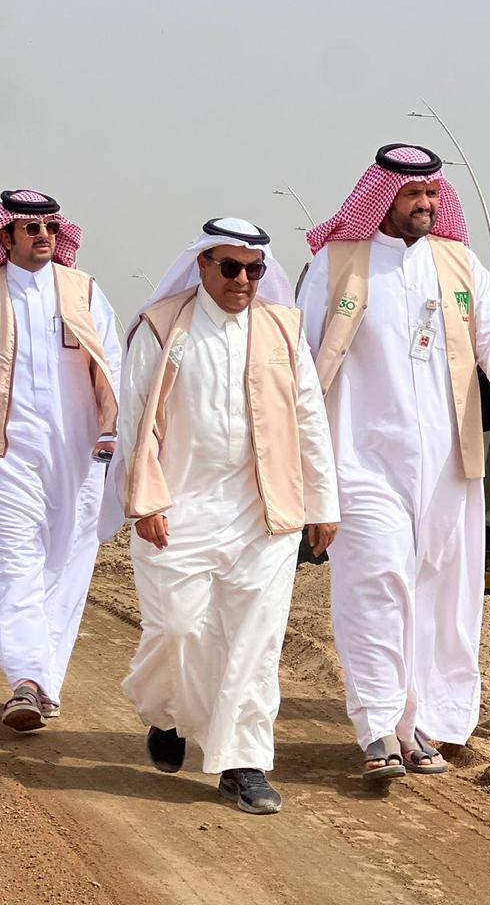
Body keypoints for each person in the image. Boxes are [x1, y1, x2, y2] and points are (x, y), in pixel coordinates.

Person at [299, 144, 490, 779]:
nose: (425, 204)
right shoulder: (337, 263)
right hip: (360, 458)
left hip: (446, 461)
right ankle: (377, 726)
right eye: (413, 194)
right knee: (376, 583)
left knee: (441, 591)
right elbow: (300, 360)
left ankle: (421, 723)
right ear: (382, 196)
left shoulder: (457, 263)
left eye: (433, 194)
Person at [114, 218, 338, 814]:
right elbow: (135, 421)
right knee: (177, 629)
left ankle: (244, 763)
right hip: (178, 509)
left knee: (253, 643)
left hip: (262, 514)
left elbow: (310, 418)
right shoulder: (163, 327)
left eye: (255, 269)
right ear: (202, 266)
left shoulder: (282, 329)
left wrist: (323, 503)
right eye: (231, 267)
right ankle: (167, 713)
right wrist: (146, 500)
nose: (244, 280)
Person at [0, 190, 119, 732]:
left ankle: (44, 682)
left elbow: (114, 366)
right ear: (5, 237)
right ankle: (27, 680)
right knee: (15, 568)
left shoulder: (83, 291)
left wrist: (114, 434)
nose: (43, 236)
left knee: (66, 566)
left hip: (77, 454)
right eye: (30, 228)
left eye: (50, 228)